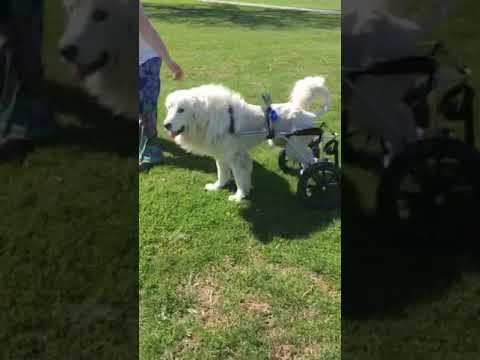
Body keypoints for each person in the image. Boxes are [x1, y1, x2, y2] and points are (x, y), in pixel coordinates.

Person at [139, 2, 184, 170]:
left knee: (146, 106)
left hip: (147, 59)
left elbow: (149, 32)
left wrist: (169, 61)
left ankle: (151, 153)